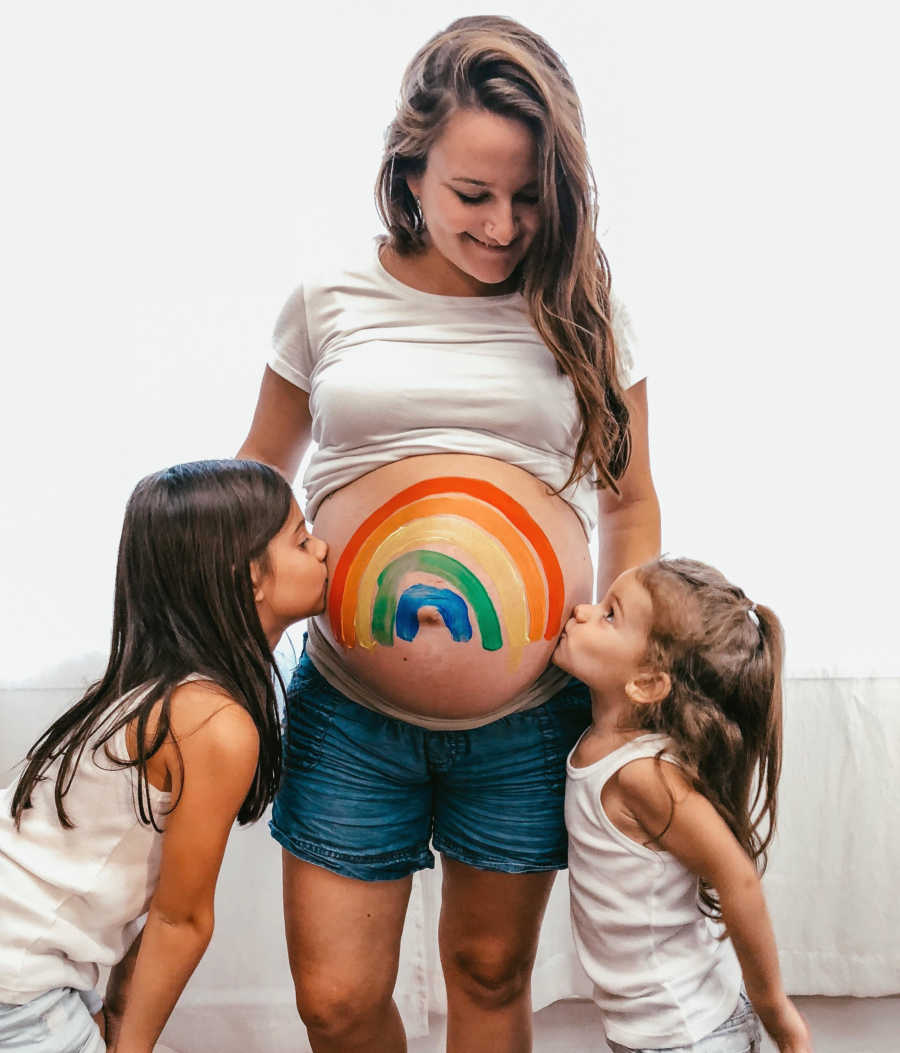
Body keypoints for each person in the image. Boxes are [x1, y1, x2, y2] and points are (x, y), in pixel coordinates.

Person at [238, 15, 660, 1053]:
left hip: (528, 717)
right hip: (347, 705)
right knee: (336, 1001)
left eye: (529, 197)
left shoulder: (584, 308)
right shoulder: (328, 301)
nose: (506, 226)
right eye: (473, 195)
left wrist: (623, 672)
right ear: (409, 169)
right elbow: (256, 482)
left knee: (488, 973)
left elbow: (630, 501)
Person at [0, 459, 328, 1053]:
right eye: (302, 540)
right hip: (16, 984)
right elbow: (180, 921)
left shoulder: (152, 690)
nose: (323, 549)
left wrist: (115, 1015)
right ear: (250, 576)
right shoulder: (212, 723)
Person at [553, 557, 813, 1052]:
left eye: (610, 614)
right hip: (658, 1028)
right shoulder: (602, 743)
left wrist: (779, 1014)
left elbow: (737, 879)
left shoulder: (643, 774)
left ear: (647, 683)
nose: (582, 612)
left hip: (687, 1034)